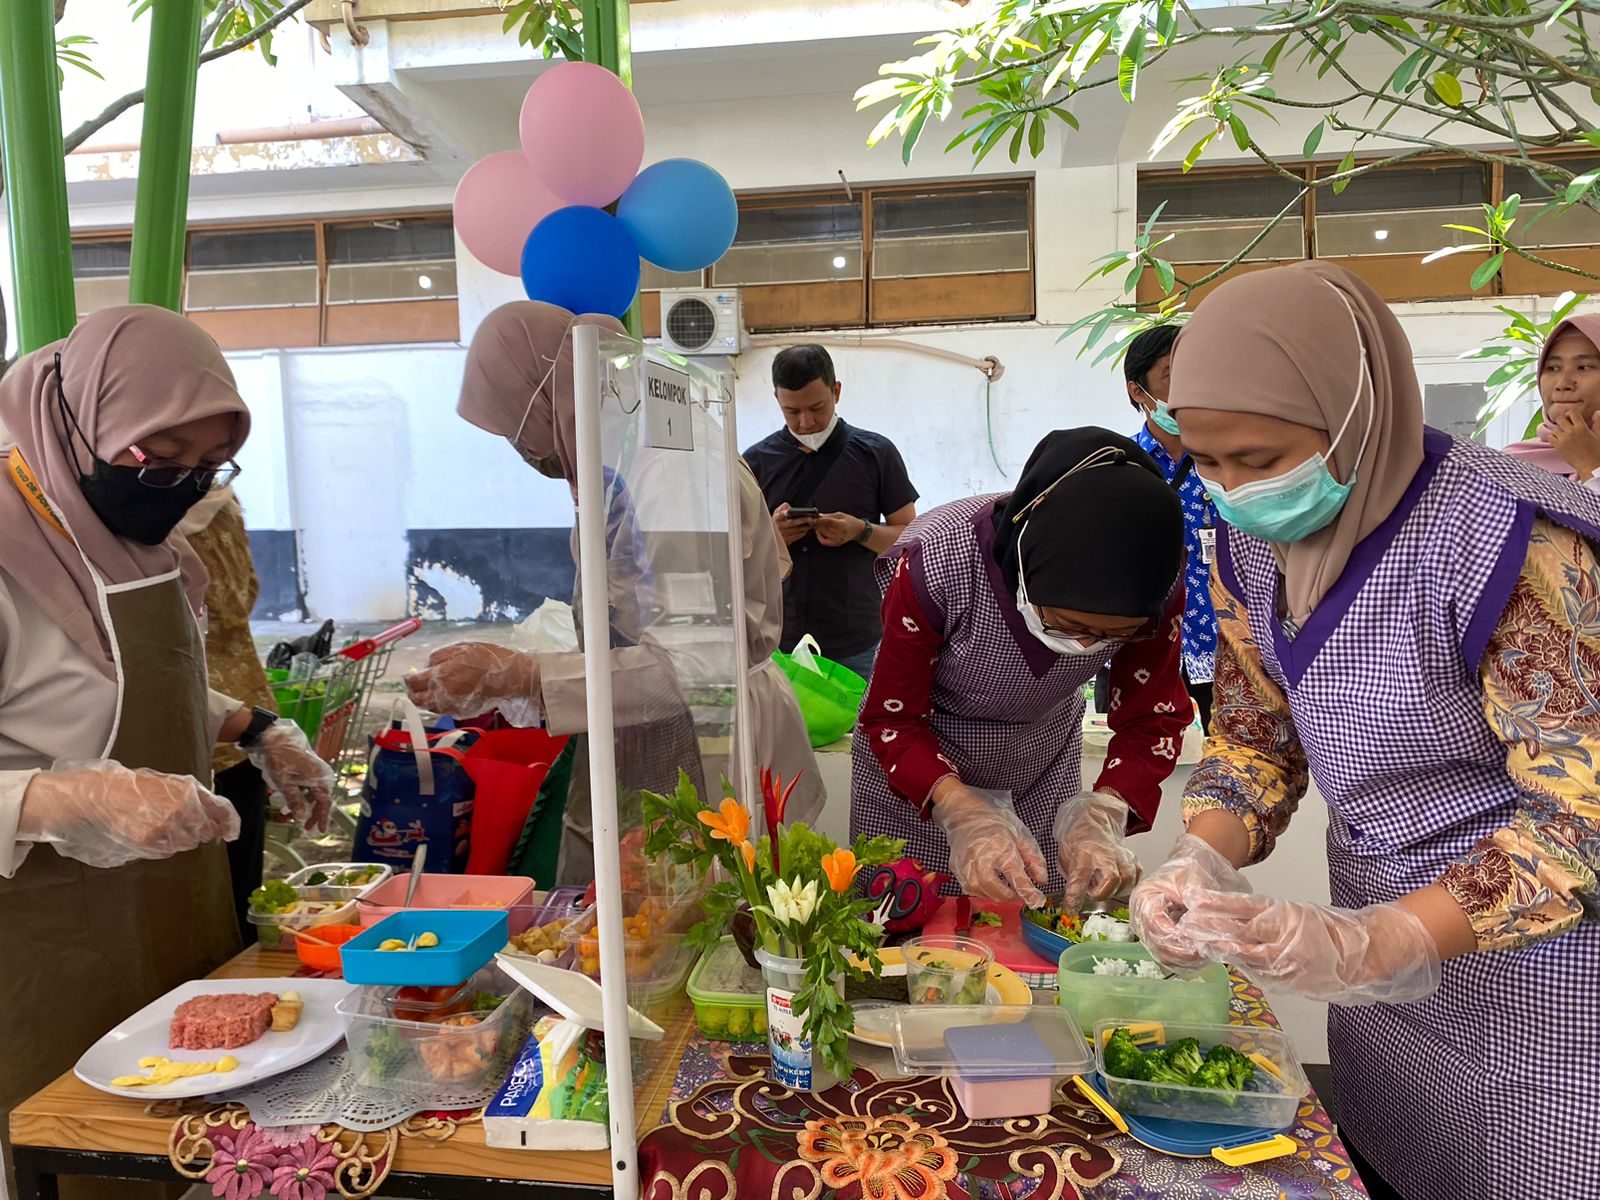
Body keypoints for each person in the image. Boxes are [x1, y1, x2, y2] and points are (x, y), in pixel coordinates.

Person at [1129, 262, 1600, 1200]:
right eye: (1204, 462)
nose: (1232, 492)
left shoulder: (1510, 543)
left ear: (1352, 413)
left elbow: (1582, 819)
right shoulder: (1250, 546)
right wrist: (1198, 857)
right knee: (1387, 1159)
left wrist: (1381, 942)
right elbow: (1255, 740)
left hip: (1536, 967)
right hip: (1375, 970)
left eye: (1259, 462)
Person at [0, 306, 334, 1199]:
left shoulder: (123, 539)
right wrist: (71, 801)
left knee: (194, 1153)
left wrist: (257, 729)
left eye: (205, 466)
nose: (177, 487)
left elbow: (128, 678)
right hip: (43, 947)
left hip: (172, 918)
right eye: (156, 458)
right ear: (78, 420)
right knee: (82, 1160)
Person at [405, 302, 823, 879]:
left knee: (702, 931)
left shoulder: (673, 468)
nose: (527, 453)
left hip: (710, 735)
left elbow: (696, 665)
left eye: (520, 432)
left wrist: (524, 675)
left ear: (551, 398)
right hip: (652, 728)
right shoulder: (621, 456)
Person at [851, 428, 1190, 909]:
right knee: (912, 927)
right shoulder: (939, 561)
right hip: (917, 769)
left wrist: (1107, 809)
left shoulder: (1157, 572)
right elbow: (892, 717)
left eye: (1116, 634)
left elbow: (1152, 714)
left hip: (1040, 761)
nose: (1088, 644)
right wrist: (959, 808)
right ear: (1027, 572)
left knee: (1035, 917)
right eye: (1069, 624)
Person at [744, 345, 918, 680]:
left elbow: (909, 540)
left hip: (856, 641)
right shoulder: (756, 462)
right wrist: (770, 536)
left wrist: (861, 531)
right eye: (791, 411)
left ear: (836, 391)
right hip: (778, 639)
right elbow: (735, 552)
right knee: (785, 733)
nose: (806, 422)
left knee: (859, 731)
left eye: (817, 407)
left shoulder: (876, 454)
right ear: (776, 400)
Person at [181, 485, 279, 944]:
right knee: (235, 892)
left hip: (214, 721)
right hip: (240, 697)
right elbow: (244, 595)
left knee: (219, 901)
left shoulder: (144, 524)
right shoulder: (220, 502)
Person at [1125, 325, 1218, 730]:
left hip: (1228, 647)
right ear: (1138, 391)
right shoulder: (1121, 465)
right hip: (1146, 646)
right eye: (1170, 374)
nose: (1186, 387)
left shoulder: (1229, 460)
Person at [1501, 312, 1600, 487]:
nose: (1563, 384)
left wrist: (1590, 465)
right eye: (1553, 368)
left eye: (1583, 367)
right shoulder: (1509, 467)